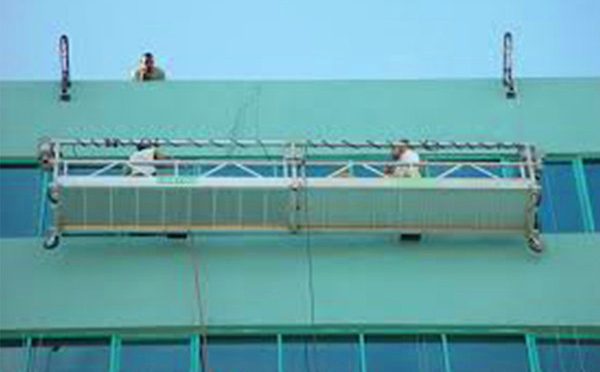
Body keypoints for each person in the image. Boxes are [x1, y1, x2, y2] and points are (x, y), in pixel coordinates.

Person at [386, 141, 423, 242]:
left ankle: (410, 230)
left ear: (401, 148)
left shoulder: (409, 157)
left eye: (393, 149)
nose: (391, 152)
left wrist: (389, 172)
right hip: (409, 193)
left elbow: (402, 173)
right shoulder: (408, 157)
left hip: (408, 190)